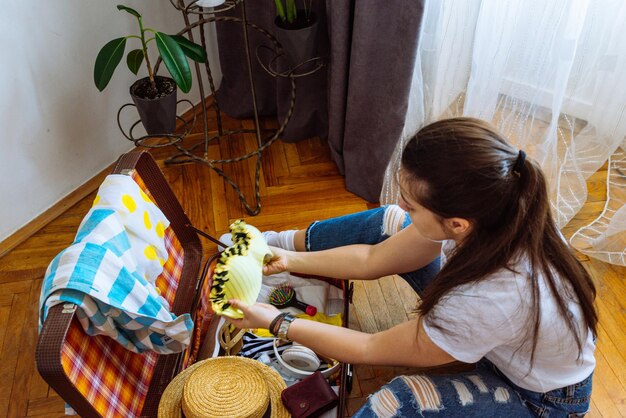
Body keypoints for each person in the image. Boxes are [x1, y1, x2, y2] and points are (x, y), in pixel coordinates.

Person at [227, 118, 597, 417]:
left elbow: (371, 348)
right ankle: (274, 240)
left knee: (399, 399)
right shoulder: (498, 212)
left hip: (542, 400)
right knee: (390, 222)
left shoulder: (489, 296)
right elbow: (373, 259)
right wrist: (290, 261)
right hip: (499, 335)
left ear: (457, 224)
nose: (403, 204)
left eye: (414, 204)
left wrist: (278, 322)